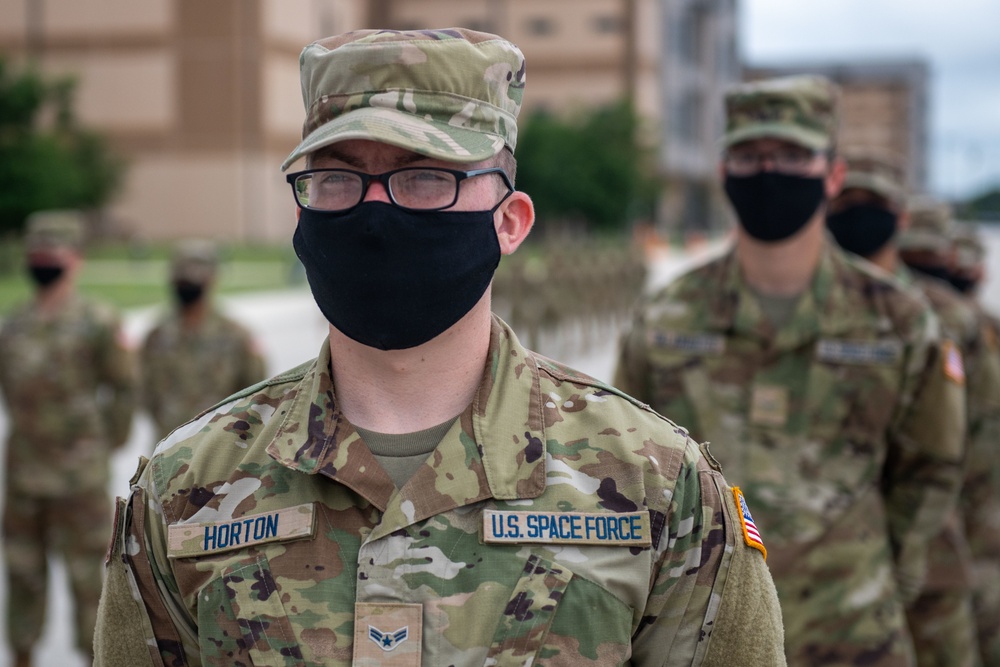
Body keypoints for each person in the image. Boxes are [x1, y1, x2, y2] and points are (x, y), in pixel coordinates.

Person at [94, 28, 785, 666]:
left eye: (426, 177)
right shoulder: (182, 493)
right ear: (300, 214)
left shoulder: (660, 485)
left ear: (510, 221)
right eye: (338, 178)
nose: (375, 211)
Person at [614, 75, 966, 666]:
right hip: (705, 636)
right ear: (725, 171)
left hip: (856, 630)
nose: (768, 171)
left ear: (832, 174)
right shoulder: (666, 315)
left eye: (792, 156)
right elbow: (629, 467)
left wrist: (886, 573)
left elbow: (930, 469)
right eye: (749, 156)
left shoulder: (901, 320)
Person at [827, 156, 984, 667]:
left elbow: (980, 442)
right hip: (825, 570)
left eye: (874, 205)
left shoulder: (944, 318)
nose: (859, 216)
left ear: (901, 217)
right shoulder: (803, 304)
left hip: (934, 555)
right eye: (848, 203)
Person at [0, 210, 136, 667]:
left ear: (75, 258)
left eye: (52, 251)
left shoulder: (96, 321)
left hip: (78, 479)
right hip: (23, 477)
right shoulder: (12, 323)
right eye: (35, 251)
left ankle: (93, 658)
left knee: (89, 585)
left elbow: (123, 387)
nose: (42, 259)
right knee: (22, 578)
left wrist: (103, 444)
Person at [140, 239, 266, 442]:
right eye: (182, 280)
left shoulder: (235, 336)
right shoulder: (156, 336)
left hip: (219, 453)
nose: (187, 286)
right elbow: (145, 393)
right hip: (167, 452)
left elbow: (256, 395)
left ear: (211, 280)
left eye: (193, 280)